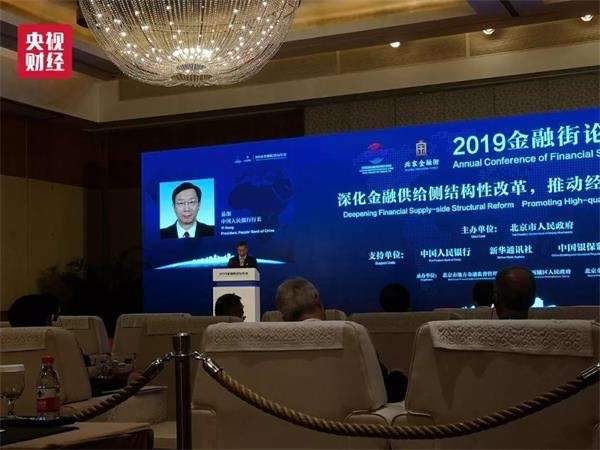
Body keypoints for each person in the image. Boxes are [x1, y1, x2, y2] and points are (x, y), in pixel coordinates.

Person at [275, 277, 406, 402]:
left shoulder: (274, 346)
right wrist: (399, 376)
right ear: (317, 299)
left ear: (284, 317)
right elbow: (388, 391)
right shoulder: (353, 335)